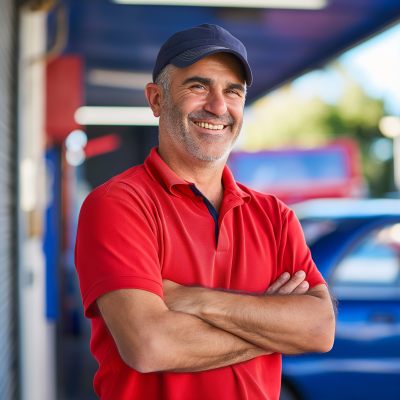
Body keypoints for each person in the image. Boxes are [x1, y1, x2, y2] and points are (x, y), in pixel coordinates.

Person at [75, 24, 336, 400]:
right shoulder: (118, 205)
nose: (218, 106)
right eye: (198, 86)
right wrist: (272, 325)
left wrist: (195, 300)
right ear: (156, 99)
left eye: (233, 91)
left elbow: (319, 330)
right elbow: (151, 346)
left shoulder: (276, 216)